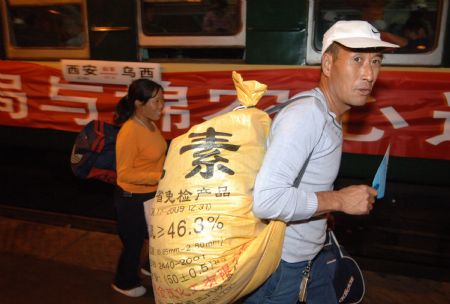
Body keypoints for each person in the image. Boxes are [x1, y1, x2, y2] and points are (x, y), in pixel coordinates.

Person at [243, 20, 399, 304]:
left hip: (312, 258)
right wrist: (339, 201)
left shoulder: (327, 114)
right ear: (327, 64)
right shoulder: (307, 116)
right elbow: (267, 200)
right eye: (357, 59)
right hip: (281, 270)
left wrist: (323, 214)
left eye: (375, 61)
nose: (369, 73)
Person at [111, 78, 167, 297]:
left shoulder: (150, 123)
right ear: (138, 104)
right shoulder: (129, 131)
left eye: (163, 101)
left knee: (158, 236)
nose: (161, 106)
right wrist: (160, 176)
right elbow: (124, 173)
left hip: (151, 195)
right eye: (156, 102)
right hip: (132, 199)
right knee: (133, 244)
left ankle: (149, 267)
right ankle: (123, 282)